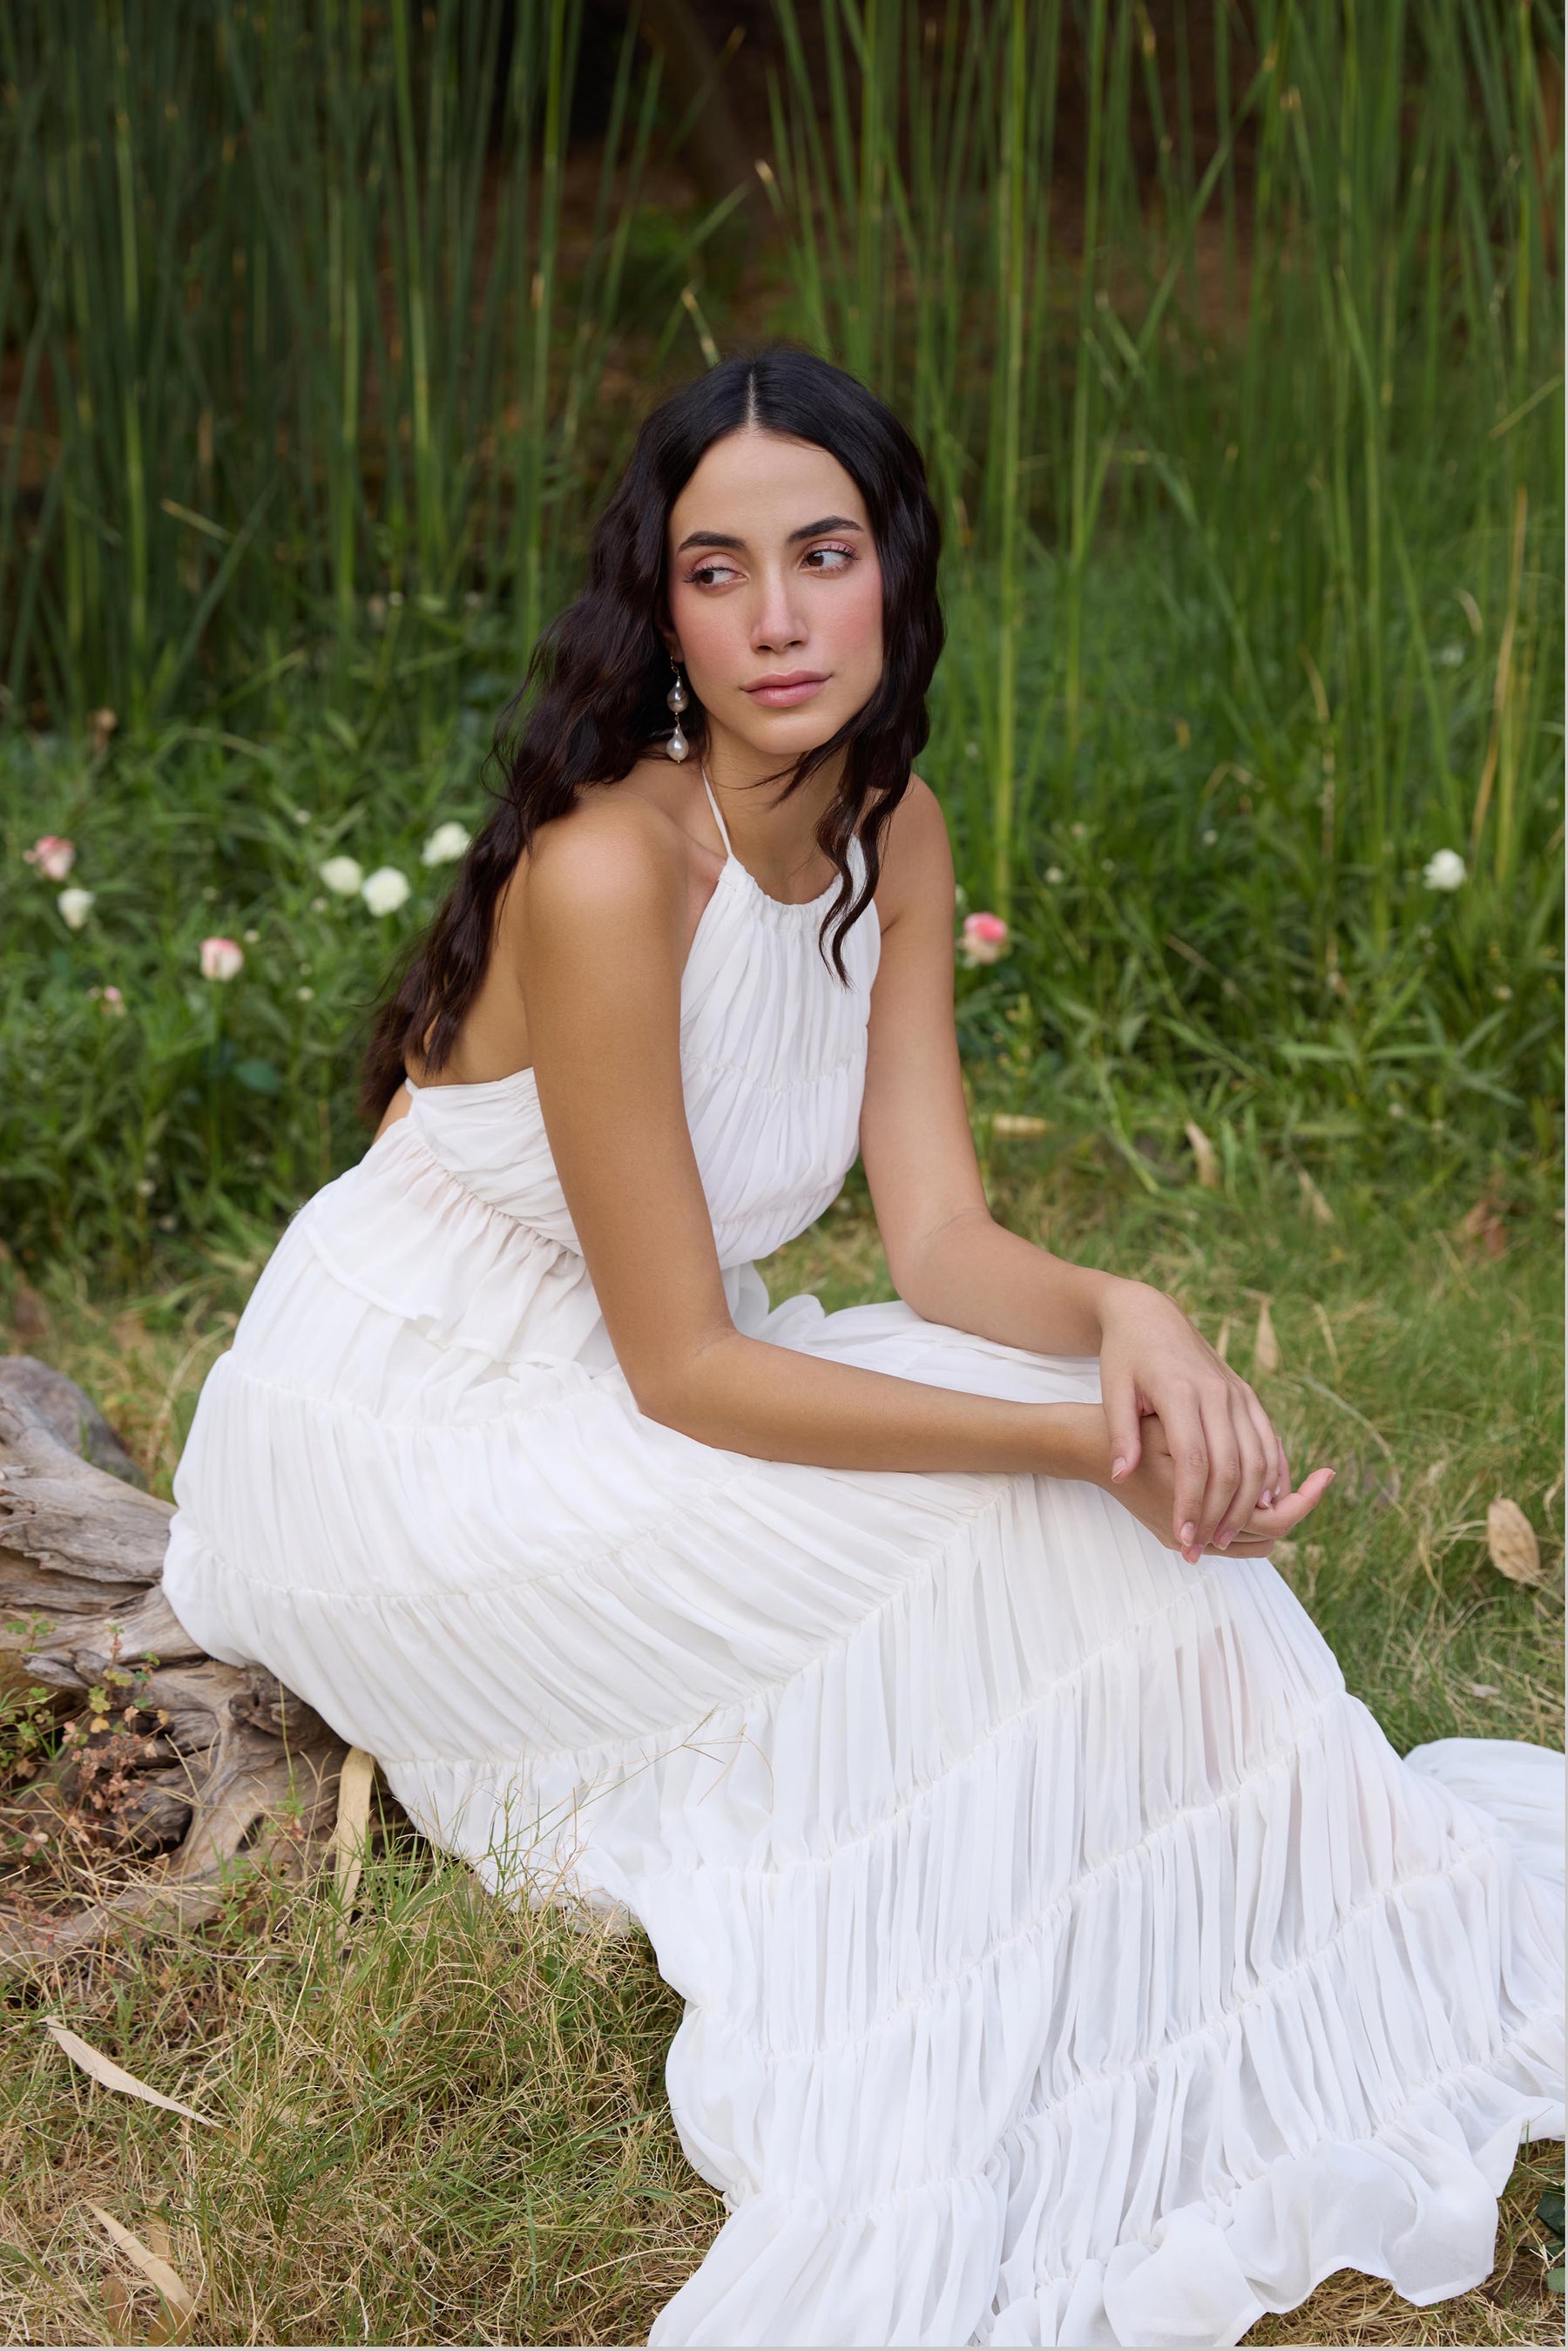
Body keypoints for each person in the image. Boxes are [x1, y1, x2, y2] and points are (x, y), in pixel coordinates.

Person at [160, 348, 1563, 2349]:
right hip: (411, 1431)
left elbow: (943, 1237)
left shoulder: (893, 834)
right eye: (717, 570)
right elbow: (686, 1375)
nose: (779, 617)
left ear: (893, 571)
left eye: (822, 554)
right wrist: (1083, 1443)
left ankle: (1327, 1955)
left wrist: (1123, 1322)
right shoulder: (604, 870)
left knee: (1029, 1456)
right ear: (661, 605)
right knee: (1015, 1506)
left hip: (634, 1368)